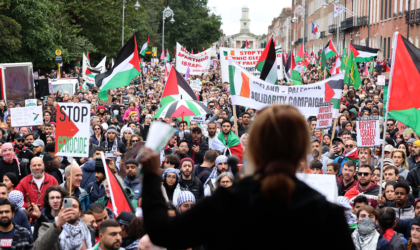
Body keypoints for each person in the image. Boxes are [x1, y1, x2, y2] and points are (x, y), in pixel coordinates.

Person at [140, 104, 354, 249]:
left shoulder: (226, 202)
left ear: (254, 147)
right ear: (302, 150)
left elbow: (163, 233)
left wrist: (151, 176)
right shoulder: (327, 214)